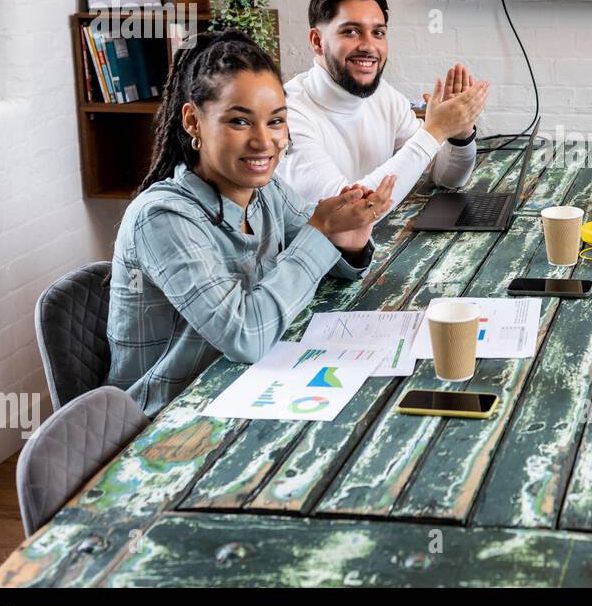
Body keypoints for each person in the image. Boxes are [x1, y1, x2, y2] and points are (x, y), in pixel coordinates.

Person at [106, 31, 396, 415]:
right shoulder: (163, 217)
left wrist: (351, 238)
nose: (264, 141)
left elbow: (327, 268)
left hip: (254, 390)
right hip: (167, 420)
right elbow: (247, 335)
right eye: (240, 122)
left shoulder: (267, 191)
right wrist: (322, 232)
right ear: (193, 121)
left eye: (276, 121)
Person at [279, 0, 488, 212]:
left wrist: (459, 136)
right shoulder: (283, 114)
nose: (369, 46)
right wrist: (435, 130)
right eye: (351, 31)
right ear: (317, 42)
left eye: (378, 33)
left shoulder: (384, 96)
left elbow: (446, 178)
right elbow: (345, 215)